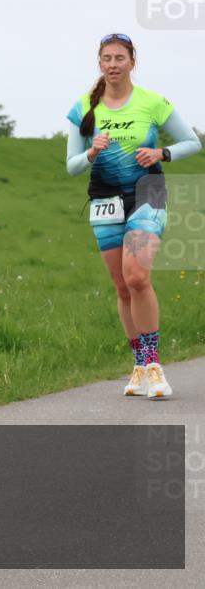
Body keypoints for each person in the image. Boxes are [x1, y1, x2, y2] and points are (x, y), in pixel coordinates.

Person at [65, 33, 201, 398]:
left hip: (147, 193)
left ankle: (154, 366)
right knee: (122, 287)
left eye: (119, 58)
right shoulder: (84, 109)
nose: (112, 64)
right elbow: (72, 166)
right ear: (100, 63)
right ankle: (139, 365)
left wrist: (161, 154)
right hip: (105, 199)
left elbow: (192, 142)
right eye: (106, 58)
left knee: (137, 275)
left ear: (132, 62)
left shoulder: (152, 102)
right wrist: (91, 152)